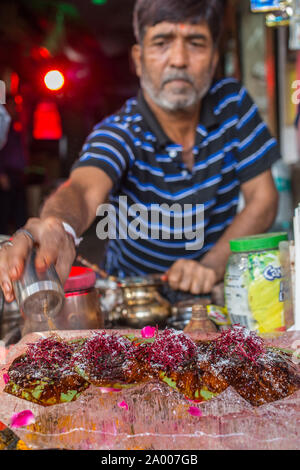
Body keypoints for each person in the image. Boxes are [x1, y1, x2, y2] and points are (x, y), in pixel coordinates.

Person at [0, 0, 279, 304]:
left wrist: (210, 266)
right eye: (162, 42)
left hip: (212, 299)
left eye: (196, 43)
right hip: (132, 305)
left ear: (214, 58)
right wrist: (59, 226)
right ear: (138, 58)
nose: (179, 60)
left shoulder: (232, 105)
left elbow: (263, 198)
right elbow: (81, 189)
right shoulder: (120, 131)